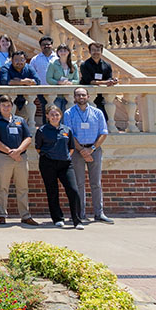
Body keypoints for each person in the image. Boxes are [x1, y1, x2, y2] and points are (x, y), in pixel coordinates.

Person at [0, 93, 38, 226]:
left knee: (23, 187)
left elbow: (28, 138)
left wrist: (18, 151)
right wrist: (10, 152)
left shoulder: (20, 120)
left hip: (20, 157)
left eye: (8, 105)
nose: (6, 108)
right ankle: (2, 215)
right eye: (3, 105)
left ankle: (25, 215)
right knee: (2, 187)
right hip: (3, 157)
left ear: (12, 106)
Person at [64, 86, 112, 223]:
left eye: (83, 95)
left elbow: (103, 133)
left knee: (96, 183)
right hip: (77, 151)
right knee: (79, 183)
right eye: (78, 95)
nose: (81, 97)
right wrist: (82, 150)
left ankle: (99, 213)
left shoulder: (97, 113)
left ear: (88, 96)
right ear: (74, 97)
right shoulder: (68, 113)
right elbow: (69, 134)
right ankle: (80, 214)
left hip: (94, 150)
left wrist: (91, 149)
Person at [35, 104, 83, 229]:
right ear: (47, 116)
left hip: (65, 164)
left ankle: (77, 220)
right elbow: (38, 148)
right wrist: (50, 156)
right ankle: (57, 218)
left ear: (61, 116)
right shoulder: (42, 130)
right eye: (52, 115)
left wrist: (65, 156)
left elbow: (71, 147)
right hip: (48, 164)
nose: (54, 117)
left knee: (73, 190)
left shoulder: (67, 130)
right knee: (52, 191)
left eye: (57, 115)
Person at [78, 42, 118, 112]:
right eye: (93, 50)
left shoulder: (107, 65)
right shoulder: (84, 65)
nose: (96, 52)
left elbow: (109, 78)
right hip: (87, 98)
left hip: (101, 97)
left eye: (98, 50)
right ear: (90, 52)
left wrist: (113, 81)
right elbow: (90, 81)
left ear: (101, 52)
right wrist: (106, 82)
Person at [0, 50, 38, 114]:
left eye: (22, 60)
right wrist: (24, 81)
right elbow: (5, 81)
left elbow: (37, 81)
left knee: (23, 118)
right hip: (7, 102)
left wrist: (18, 81)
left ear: (25, 60)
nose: (19, 62)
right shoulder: (5, 68)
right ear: (12, 60)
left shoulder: (29, 68)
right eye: (16, 60)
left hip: (23, 100)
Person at [46, 43, 80, 109]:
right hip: (56, 95)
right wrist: (58, 82)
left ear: (68, 52)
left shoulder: (74, 65)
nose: (63, 53)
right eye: (61, 51)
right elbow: (48, 79)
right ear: (57, 53)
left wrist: (71, 82)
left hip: (70, 95)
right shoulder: (53, 64)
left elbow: (77, 80)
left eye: (65, 51)